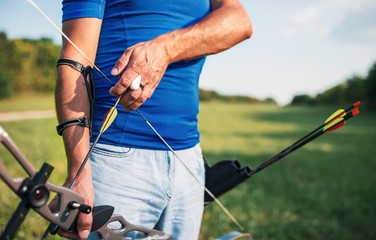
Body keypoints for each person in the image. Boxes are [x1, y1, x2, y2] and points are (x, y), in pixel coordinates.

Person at [55, 0, 252, 239]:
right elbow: (74, 62)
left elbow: (239, 21)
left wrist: (165, 48)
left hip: (188, 157)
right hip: (114, 159)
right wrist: (79, 170)